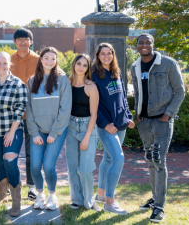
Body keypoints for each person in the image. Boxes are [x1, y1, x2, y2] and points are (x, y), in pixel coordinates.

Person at [131, 33, 185, 223]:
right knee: (150, 159)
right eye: (141, 42)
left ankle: (159, 208)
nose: (144, 45)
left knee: (159, 160)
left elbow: (180, 91)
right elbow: (138, 92)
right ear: (136, 45)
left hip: (162, 121)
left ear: (153, 45)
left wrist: (167, 114)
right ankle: (155, 198)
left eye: (148, 42)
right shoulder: (135, 66)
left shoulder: (168, 63)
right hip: (144, 122)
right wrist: (137, 115)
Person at [26, 47, 72, 211]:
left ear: (56, 60)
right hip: (38, 131)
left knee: (48, 167)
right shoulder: (32, 80)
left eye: (53, 58)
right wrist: (34, 132)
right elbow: (29, 108)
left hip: (57, 131)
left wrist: (54, 133)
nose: (50, 61)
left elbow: (65, 109)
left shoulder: (62, 79)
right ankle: (40, 194)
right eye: (46, 58)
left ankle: (52, 194)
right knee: (35, 166)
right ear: (41, 59)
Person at [92, 43, 135, 215]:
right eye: (103, 53)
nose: (106, 56)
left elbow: (123, 97)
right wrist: (104, 123)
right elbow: (93, 105)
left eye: (109, 53)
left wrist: (128, 117)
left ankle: (101, 194)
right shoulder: (94, 75)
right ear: (98, 55)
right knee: (118, 158)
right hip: (106, 126)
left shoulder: (117, 73)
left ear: (113, 55)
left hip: (120, 124)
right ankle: (110, 202)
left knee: (108, 159)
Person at [0, 52, 28, 217]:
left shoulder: (18, 84)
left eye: (5, 63)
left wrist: (11, 132)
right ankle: (2, 196)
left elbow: (20, 111)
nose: (2, 66)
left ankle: (16, 201)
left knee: (10, 162)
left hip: (13, 130)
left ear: (10, 64)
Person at [65, 54, 101, 211]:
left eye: (85, 65)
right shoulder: (68, 83)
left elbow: (94, 114)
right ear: (73, 65)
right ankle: (77, 200)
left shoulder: (91, 86)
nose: (81, 67)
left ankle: (89, 200)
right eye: (78, 63)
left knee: (85, 169)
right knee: (73, 167)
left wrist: (86, 137)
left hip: (87, 128)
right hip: (70, 127)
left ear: (88, 68)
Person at [10, 28, 39, 201]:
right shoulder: (8, 59)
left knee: (31, 153)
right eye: (19, 39)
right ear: (14, 41)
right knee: (9, 152)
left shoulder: (38, 60)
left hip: (32, 114)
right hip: (11, 115)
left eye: (26, 39)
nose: (22, 42)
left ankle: (32, 187)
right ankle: (7, 186)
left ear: (30, 41)